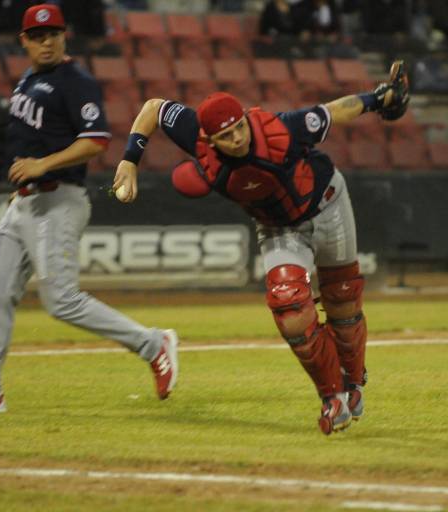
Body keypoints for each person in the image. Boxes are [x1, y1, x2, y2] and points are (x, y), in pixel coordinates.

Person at [112, 62, 410, 435]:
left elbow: (334, 112)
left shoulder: (280, 129)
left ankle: (354, 382)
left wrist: (378, 99)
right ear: (207, 137)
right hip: (277, 227)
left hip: (328, 203)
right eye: (226, 136)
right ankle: (332, 397)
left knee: (343, 299)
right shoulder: (195, 133)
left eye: (238, 128)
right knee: (289, 307)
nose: (237, 139)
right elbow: (154, 108)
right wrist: (129, 157)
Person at [0, 4, 179, 414]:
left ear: (64, 36)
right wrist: (27, 180)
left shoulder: (75, 81)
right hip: (27, 202)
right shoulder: (30, 79)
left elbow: (96, 140)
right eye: (37, 35)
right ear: (24, 40)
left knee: (61, 300)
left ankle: (153, 343)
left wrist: (41, 166)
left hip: (58, 199)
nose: (46, 41)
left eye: (52, 34)